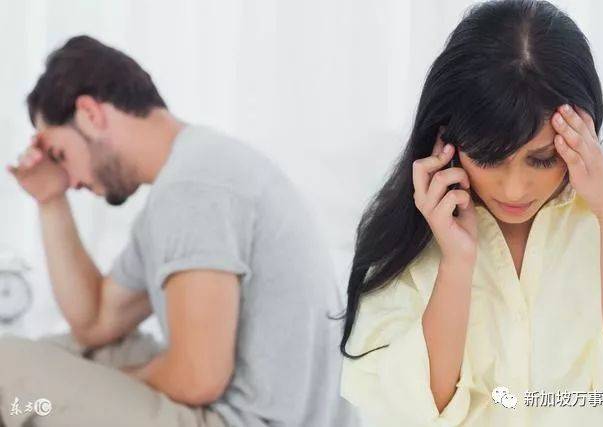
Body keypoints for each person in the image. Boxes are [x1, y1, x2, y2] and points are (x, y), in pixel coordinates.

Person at [1, 35, 358, 427]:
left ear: (89, 114)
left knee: (6, 365)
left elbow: (196, 378)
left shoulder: (193, 187)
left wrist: (98, 385)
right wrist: (50, 199)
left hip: (243, 421)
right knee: (67, 352)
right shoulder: (194, 170)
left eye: (60, 155)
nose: (70, 180)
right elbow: (94, 322)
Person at [339, 1, 603, 426]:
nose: (515, 189)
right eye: (489, 157)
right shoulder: (407, 239)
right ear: (447, 139)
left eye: (542, 159)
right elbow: (409, 412)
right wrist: (457, 263)